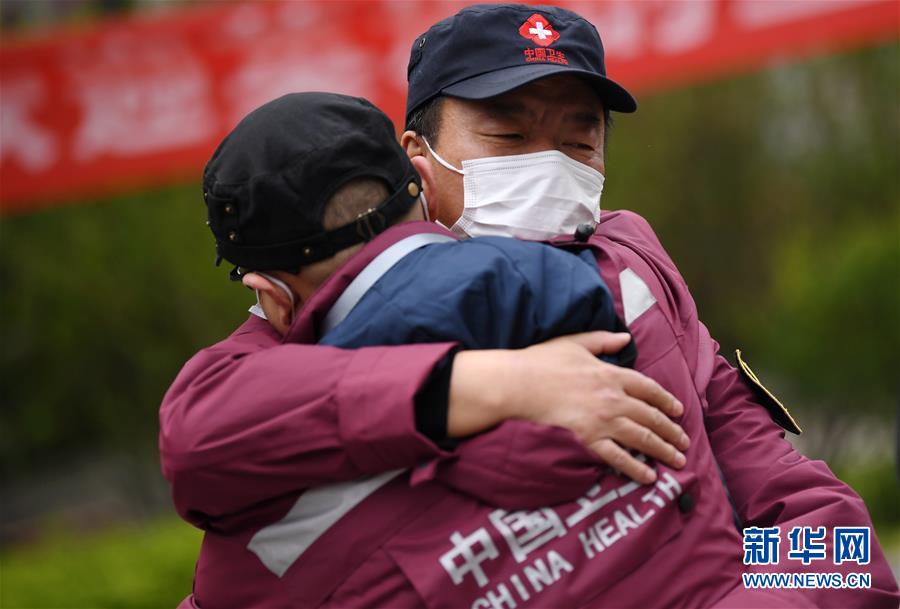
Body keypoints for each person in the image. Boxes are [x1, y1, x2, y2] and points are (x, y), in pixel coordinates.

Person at [160, 4, 899, 608]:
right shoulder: (305, 333)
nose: (548, 166)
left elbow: (815, 529)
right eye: (509, 135)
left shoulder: (632, 274)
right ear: (418, 161)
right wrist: (485, 386)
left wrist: (762, 597)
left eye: (579, 141)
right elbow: (200, 440)